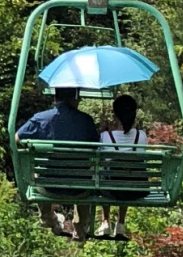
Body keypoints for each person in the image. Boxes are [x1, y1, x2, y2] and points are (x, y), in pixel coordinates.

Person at [15, 85, 100, 241]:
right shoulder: (86, 121)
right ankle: (80, 227)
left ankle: (48, 219)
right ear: (75, 98)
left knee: (38, 174)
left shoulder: (41, 119)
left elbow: (17, 138)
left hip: (49, 187)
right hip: (80, 188)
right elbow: (96, 146)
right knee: (85, 177)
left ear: (55, 98)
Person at [96, 93, 148, 241]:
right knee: (128, 172)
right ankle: (120, 223)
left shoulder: (106, 136)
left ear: (115, 114)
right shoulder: (141, 136)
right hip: (135, 190)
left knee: (106, 173)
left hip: (110, 189)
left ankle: (105, 222)